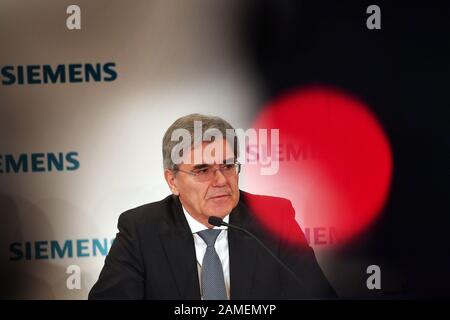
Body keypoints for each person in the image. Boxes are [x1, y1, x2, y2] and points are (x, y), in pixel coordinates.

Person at [88, 113, 336, 299]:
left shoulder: (273, 219)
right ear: (172, 181)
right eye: (203, 170)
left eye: (227, 166)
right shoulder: (141, 230)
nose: (220, 181)